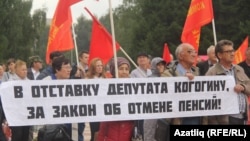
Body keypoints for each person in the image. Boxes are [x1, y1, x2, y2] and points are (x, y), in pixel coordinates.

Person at [206, 39, 250, 124]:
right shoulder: (212, 72)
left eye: (233, 50)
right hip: (224, 119)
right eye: (228, 51)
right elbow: (207, 97)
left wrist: (243, 87)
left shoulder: (239, 69)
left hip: (242, 116)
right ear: (219, 55)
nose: (233, 54)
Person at [161, 43, 207, 125]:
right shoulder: (167, 74)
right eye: (190, 52)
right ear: (180, 56)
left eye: (195, 52)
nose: (194, 55)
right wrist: (183, 81)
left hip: (197, 118)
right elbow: (166, 96)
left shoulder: (199, 72)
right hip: (178, 120)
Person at [97, 57, 134, 141]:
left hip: (129, 133)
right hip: (111, 134)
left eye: (126, 69)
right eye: (121, 69)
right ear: (114, 70)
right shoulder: (106, 87)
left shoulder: (135, 88)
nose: (124, 72)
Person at [143, 57, 167, 141]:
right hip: (151, 112)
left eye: (162, 65)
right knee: (150, 135)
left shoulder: (167, 78)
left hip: (162, 112)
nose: (161, 67)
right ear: (153, 66)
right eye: (158, 65)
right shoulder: (149, 79)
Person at [7, 59, 30, 141]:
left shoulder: (29, 82)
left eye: (26, 69)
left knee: (25, 136)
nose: (25, 71)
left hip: (26, 115)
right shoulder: (10, 83)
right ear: (16, 70)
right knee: (17, 136)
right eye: (23, 70)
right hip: (16, 116)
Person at [130, 52, 152, 138]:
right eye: (140, 58)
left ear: (148, 60)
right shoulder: (134, 73)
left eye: (144, 57)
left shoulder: (151, 72)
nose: (142, 59)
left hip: (151, 103)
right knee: (141, 126)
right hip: (141, 103)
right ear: (137, 61)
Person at [85, 58, 106, 141]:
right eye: (98, 66)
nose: (100, 67)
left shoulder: (105, 78)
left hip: (103, 108)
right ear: (93, 67)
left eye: (101, 65)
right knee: (95, 131)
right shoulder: (88, 79)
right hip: (94, 109)